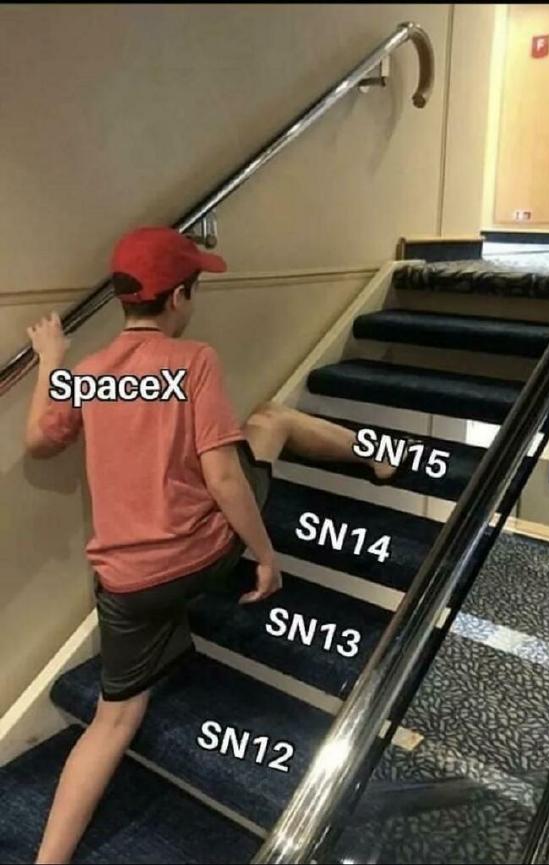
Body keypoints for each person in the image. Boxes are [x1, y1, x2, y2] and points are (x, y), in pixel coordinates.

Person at [24, 226, 407, 864]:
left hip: (125, 581)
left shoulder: (90, 375)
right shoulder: (193, 360)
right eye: (194, 288)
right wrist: (265, 554)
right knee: (271, 420)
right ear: (178, 296)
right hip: (201, 555)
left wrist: (50, 359)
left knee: (114, 720)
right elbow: (225, 476)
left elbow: (40, 439)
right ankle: (378, 456)